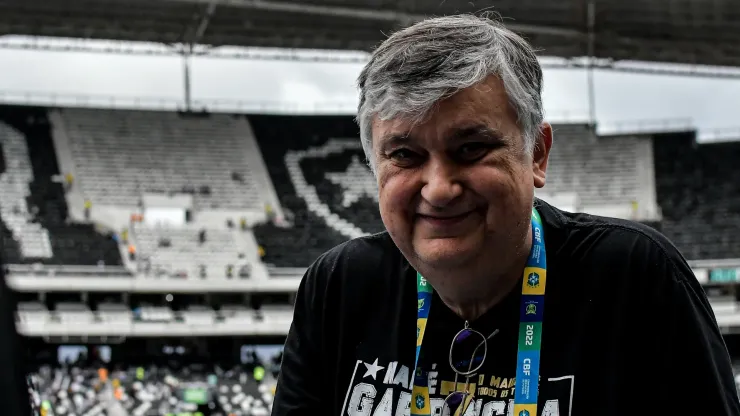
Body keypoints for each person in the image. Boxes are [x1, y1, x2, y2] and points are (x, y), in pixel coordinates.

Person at [271, 14, 740, 416]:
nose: (438, 189)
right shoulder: (338, 286)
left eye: (471, 148)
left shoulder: (637, 279)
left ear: (536, 153)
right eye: (406, 155)